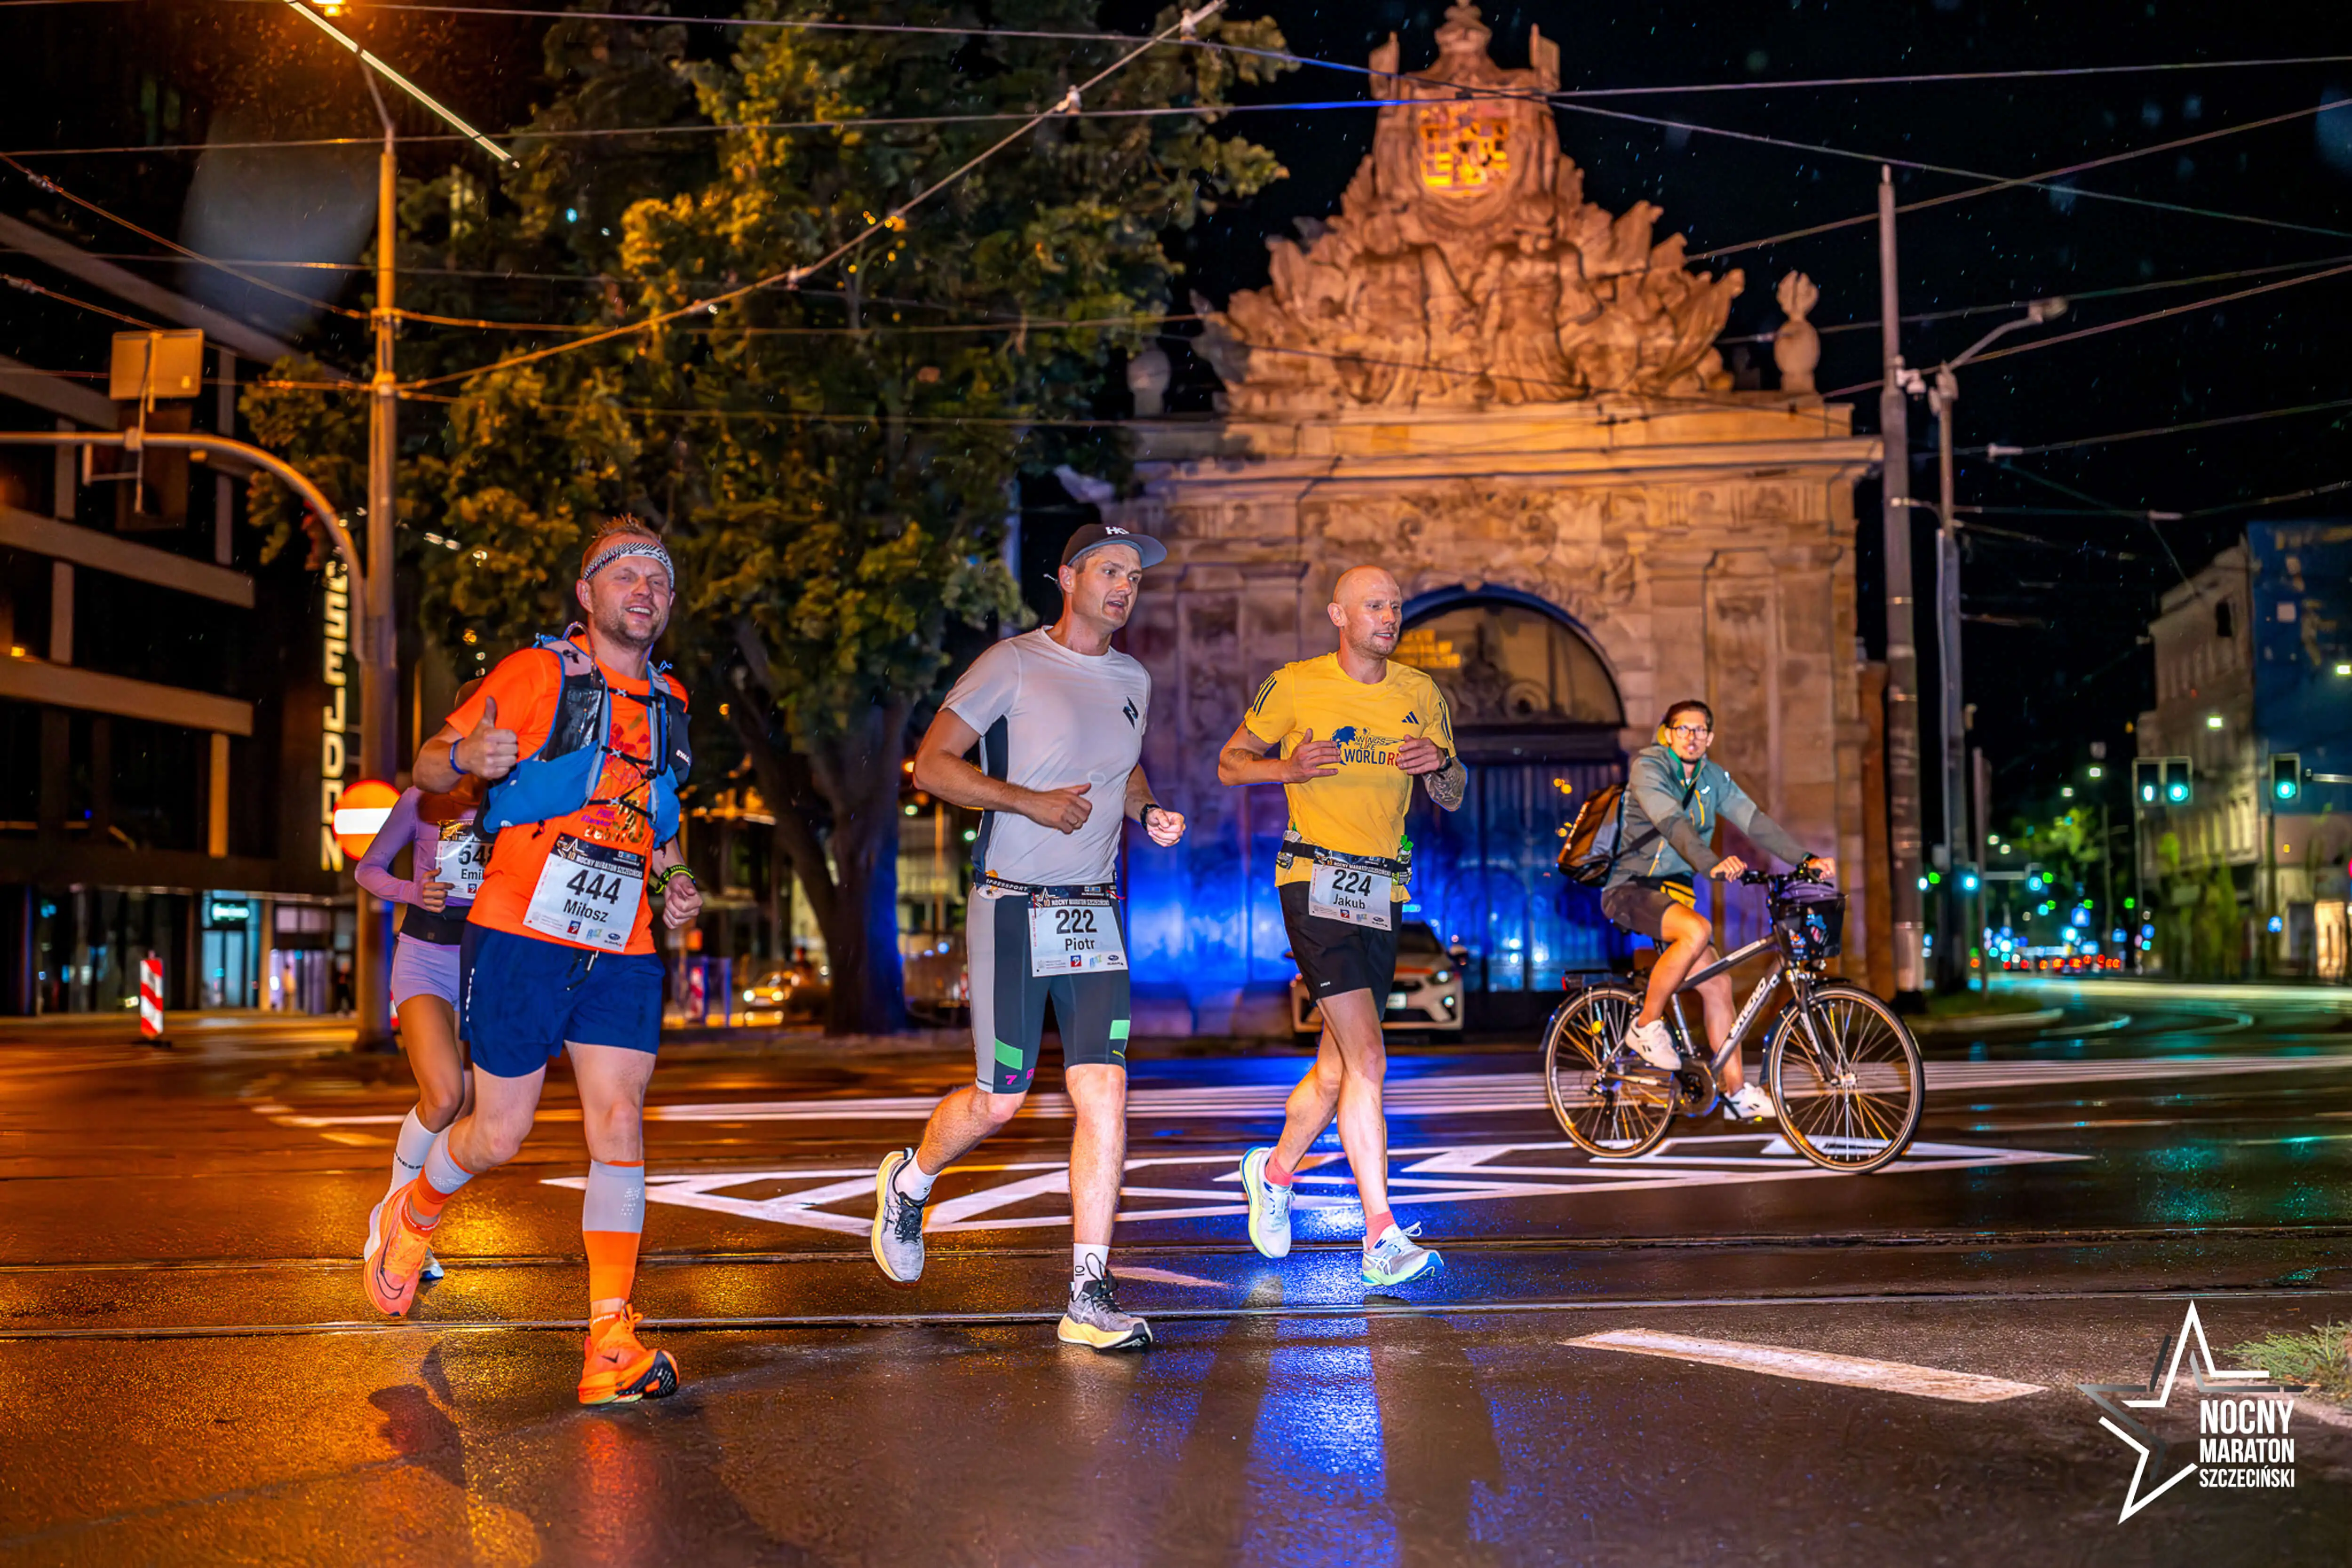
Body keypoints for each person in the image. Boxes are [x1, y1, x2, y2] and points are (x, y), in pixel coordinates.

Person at [366, 517, 704, 1408]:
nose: (644, 589)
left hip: (621, 944)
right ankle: (417, 1212)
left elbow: (663, 824)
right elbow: (430, 760)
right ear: (587, 596)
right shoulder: (535, 674)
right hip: (520, 930)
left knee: (620, 1122)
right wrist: (467, 756)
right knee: (498, 1133)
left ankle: (609, 1339)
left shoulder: (669, 701)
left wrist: (674, 880)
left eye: (658, 579)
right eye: (624, 574)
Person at [869, 522, 1186, 1352]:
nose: (1123, 585)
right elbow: (932, 766)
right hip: (1013, 903)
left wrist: (1145, 807)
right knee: (1000, 1098)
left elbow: (1126, 767)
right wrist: (1027, 800)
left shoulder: (1133, 677)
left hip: (1093, 911)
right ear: (1066, 576)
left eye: (1133, 576)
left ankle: (1088, 1291)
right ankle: (909, 1179)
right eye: (1108, 570)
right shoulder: (1011, 662)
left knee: (1105, 1093)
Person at [1220, 565, 1465, 1289]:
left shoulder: (1421, 693)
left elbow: (1452, 792)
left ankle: (1272, 1172)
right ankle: (1381, 1232)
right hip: (1313, 878)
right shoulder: (1294, 683)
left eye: (1395, 606)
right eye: (1374, 606)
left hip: (1383, 890)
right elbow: (1231, 764)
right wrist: (1287, 768)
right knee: (1369, 1059)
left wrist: (1440, 762)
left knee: (1336, 1068)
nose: (1388, 617)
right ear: (1339, 613)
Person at [1599, 698, 1836, 1120]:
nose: (1691, 737)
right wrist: (1712, 863)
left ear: (1710, 737)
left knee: (1719, 985)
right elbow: (1674, 824)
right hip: (1631, 888)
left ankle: (1736, 1093)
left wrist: (1804, 860)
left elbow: (1755, 820)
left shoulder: (1713, 778)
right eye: (1682, 729)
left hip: (1672, 895)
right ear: (1668, 733)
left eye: (1700, 730)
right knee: (1697, 930)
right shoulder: (1649, 769)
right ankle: (1644, 1026)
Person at [351, 710, 489, 1286]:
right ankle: (392, 1218)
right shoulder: (422, 797)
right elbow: (368, 870)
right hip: (426, 956)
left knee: (482, 1114)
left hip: (486, 962)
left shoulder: (517, 800)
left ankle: (414, 1220)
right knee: (443, 1095)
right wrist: (415, 891)